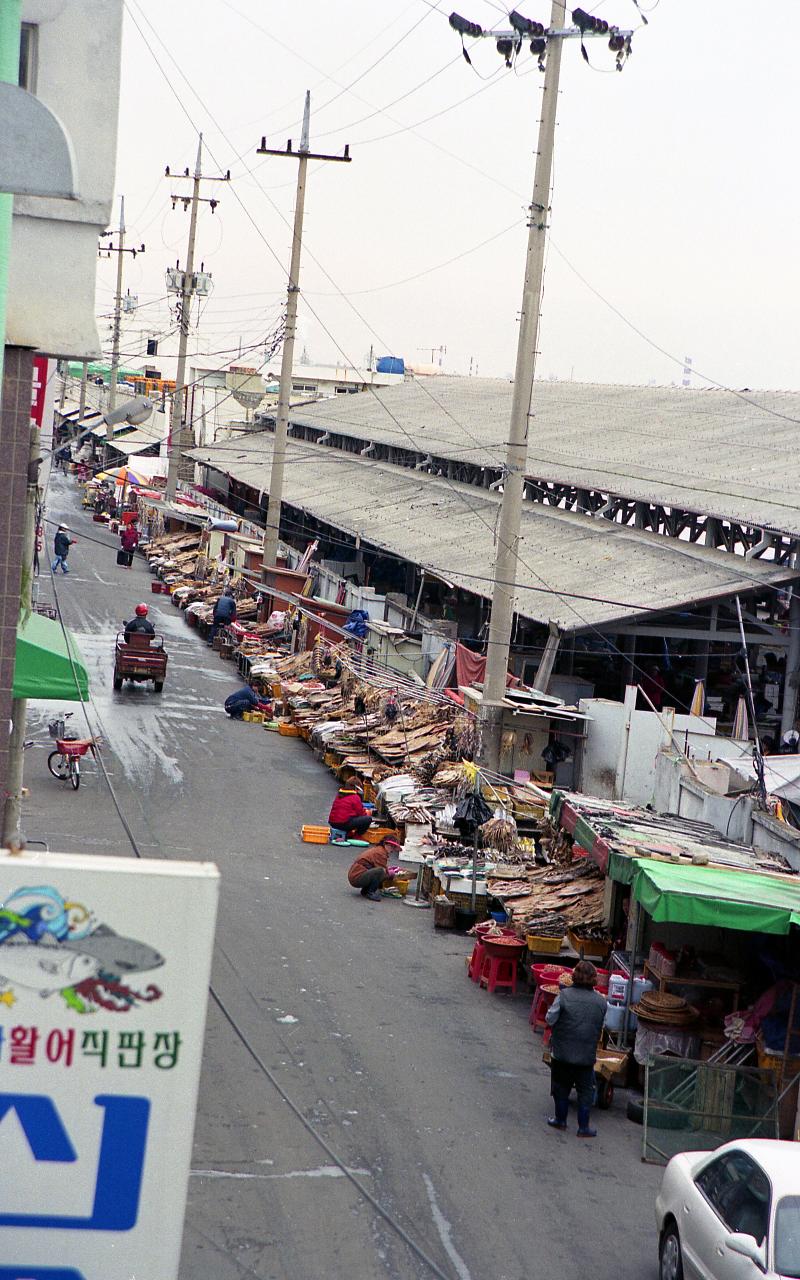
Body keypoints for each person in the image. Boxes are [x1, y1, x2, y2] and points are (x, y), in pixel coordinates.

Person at [545, 960, 607, 1138]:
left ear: (574, 976)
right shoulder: (601, 1002)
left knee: (561, 1088)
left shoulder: (564, 996)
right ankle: (583, 1127)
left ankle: (560, 1120)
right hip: (586, 1056)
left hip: (562, 1053)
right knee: (585, 1092)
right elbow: (603, 1024)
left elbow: (550, 1019)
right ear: (594, 979)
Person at [347, 836, 403, 903]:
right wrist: (392, 874)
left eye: (394, 847)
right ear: (386, 844)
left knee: (379, 871)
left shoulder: (379, 850)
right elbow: (382, 871)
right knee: (380, 871)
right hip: (356, 877)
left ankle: (366, 891)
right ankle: (370, 892)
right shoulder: (380, 853)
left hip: (357, 875)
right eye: (392, 847)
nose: (392, 850)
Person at [329, 776, 371, 840]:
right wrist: (367, 812)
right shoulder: (355, 797)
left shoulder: (339, 795)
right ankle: (357, 836)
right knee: (367, 819)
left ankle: (348, 833)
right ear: (356, 788)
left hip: (333, 822)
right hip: (342, 823)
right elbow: (361, 813)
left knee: (351, 818)